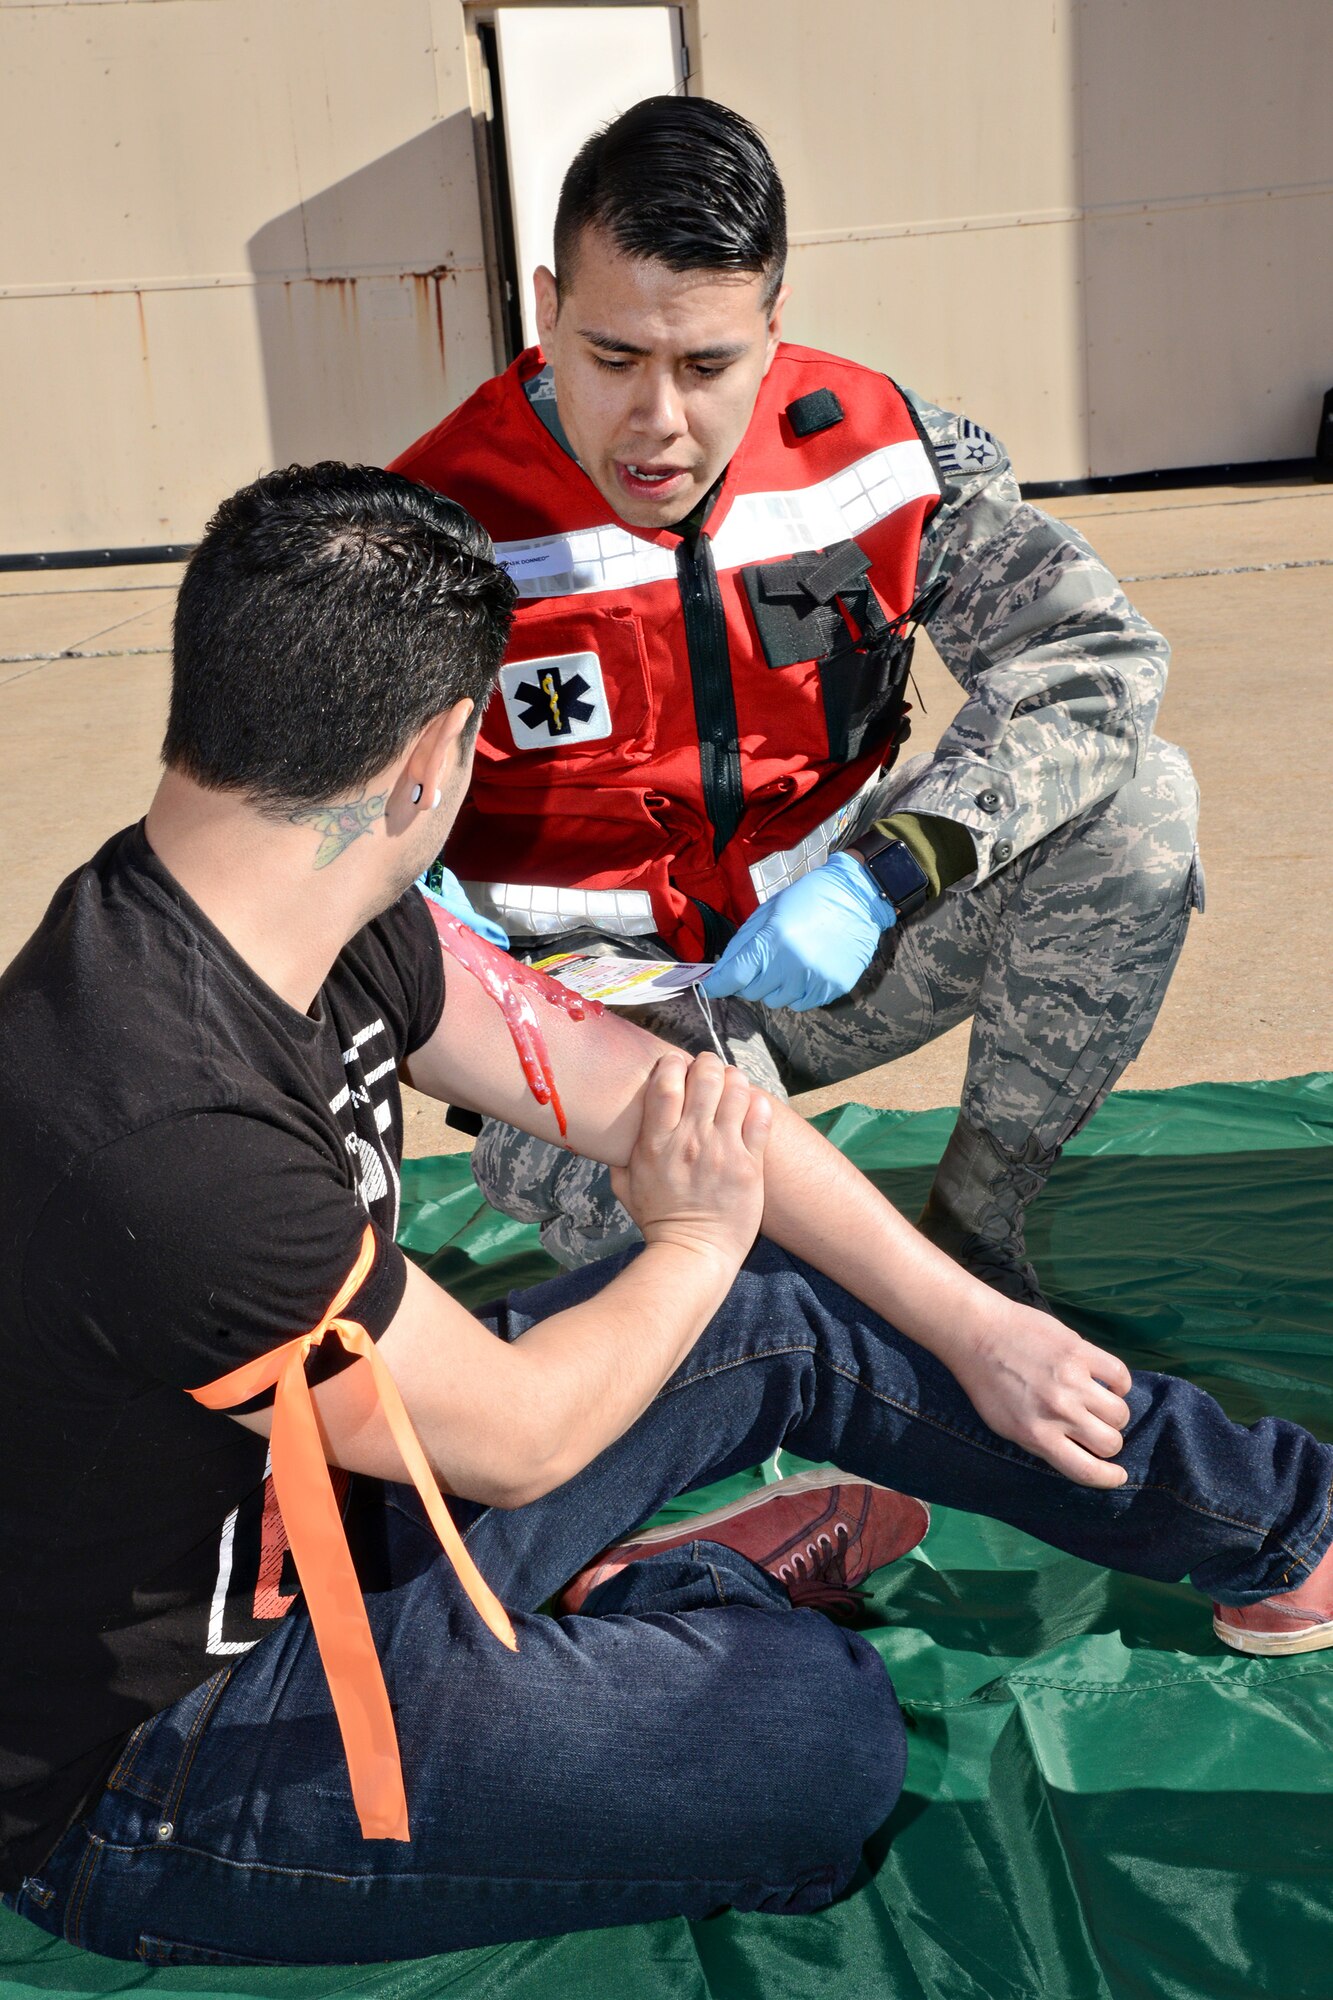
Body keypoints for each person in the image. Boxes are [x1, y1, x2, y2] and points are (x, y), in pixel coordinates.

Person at [0, 463, 1327, 1968]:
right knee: (823, 1748)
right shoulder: (155, 1119)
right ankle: (667, 1589)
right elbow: (521, 1433)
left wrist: (980, 1322)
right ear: (436, 752)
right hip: (167, 1754)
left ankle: (1278, 1521)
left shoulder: (310, 912)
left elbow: (668, 1105)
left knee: (781, 1314)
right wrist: (691, 1239)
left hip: (334, 1512)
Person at [391, 96, 1203, 1304]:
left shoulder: (872, 451)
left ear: (774, 324)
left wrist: (881, 878)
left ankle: (976, 1230)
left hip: (834, 947)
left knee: (1139, 803)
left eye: (708, 364)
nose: (658, 422)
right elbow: (291, 835)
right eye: (613, 357)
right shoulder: (425, 526)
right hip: (585, 1012)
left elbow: (1091, 658)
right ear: (548, 307)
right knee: (779, 1279)